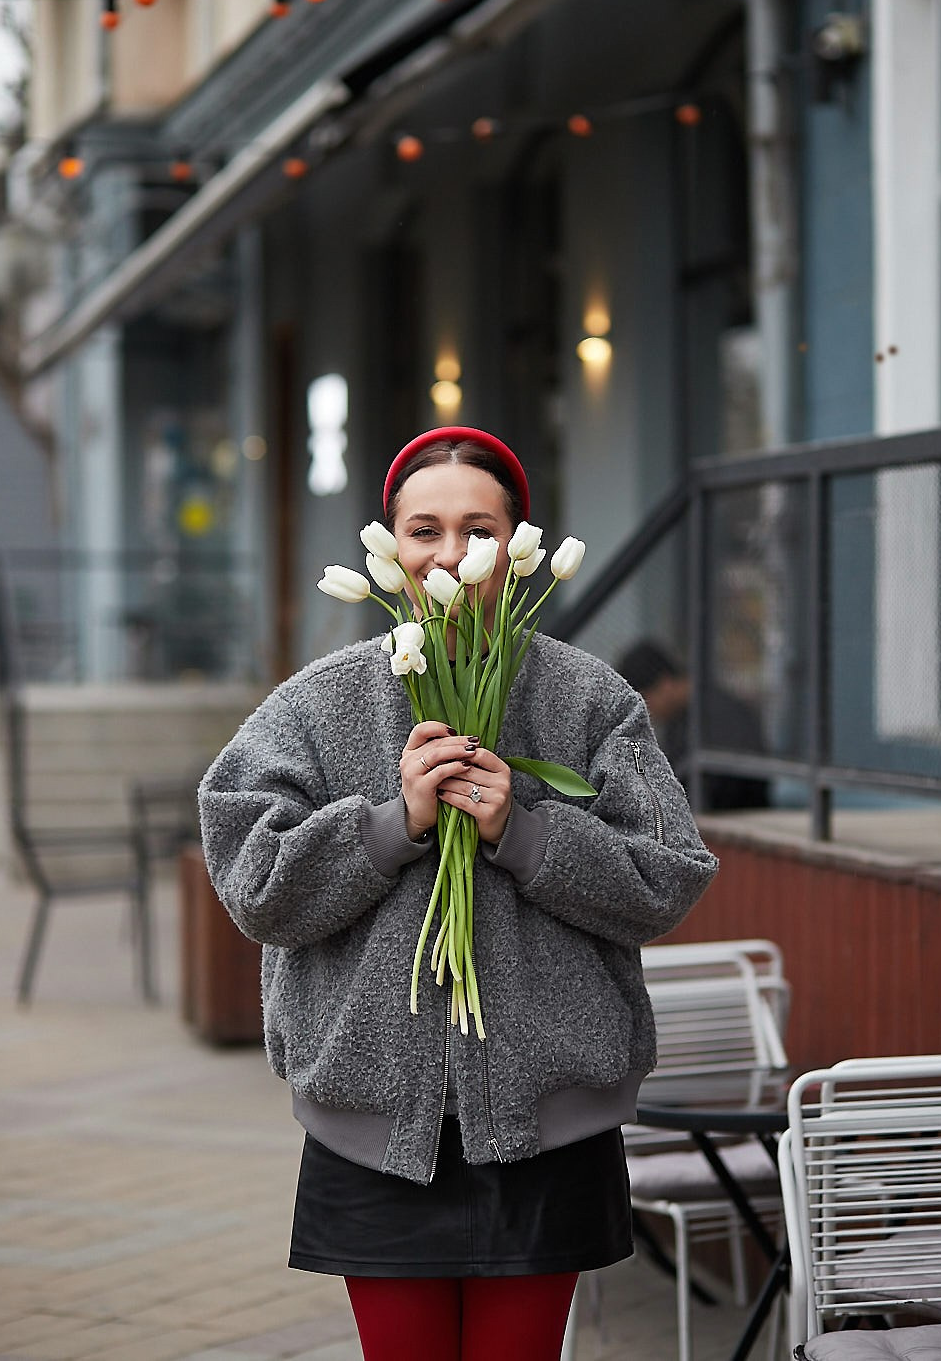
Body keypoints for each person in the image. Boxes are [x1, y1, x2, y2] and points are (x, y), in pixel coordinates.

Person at [198, 426, 719, 1361]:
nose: (450, 553)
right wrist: (390, 826)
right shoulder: (317, 706)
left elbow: (664, 877)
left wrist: (523, 831)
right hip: (374, 1134)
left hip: (545, 1129)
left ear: (518, 547)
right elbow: (256, 884)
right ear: (389, 547)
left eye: (479, 530)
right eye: (423, 528)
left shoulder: (590, 701)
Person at [616, 639, 769, 812]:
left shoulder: (718, 715)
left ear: (665, 685)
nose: (644, 712)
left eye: (644, 700)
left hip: (733, 815)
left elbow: (720, 788)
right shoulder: (684, 716)